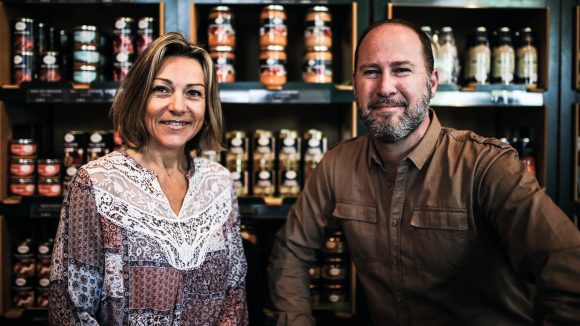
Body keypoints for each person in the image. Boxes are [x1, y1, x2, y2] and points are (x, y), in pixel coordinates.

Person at [268, 19, 580, 325]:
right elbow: (290, 253)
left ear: (432, 83)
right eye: (371, 72)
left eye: (401, 70)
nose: (384, 87)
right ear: (355, 83)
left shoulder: (486, 165)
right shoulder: (337, 164)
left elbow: (568, 267)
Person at [49, 32, 248, 325]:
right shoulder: (95, 182)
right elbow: (71, 308)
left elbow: (235, 295)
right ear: (139, 97)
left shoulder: (219, 182)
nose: (179, 106)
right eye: (162, 90)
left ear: (207, 107)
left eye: (193, 93)